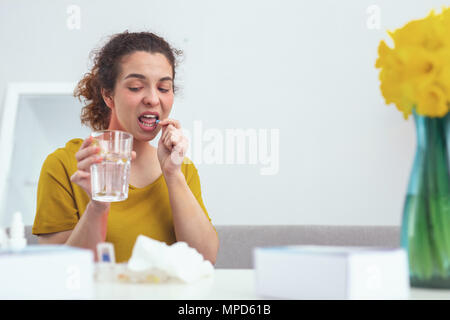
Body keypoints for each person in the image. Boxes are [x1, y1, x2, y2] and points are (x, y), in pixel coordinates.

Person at [32, 31, 219, 264]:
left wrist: (172, 175)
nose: (152, 98)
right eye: (135, 87)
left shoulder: (180, 169)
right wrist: (97, 207)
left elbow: (205, 260)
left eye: (163, 88)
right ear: (108, 95)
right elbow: (58, 271)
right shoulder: (65, 165)